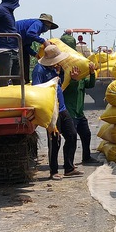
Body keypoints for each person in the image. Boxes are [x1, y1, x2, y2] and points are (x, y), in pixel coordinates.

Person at [32, 45, 83, 180]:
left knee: (72, 135)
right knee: (55, 141)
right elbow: (38, 90)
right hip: (52, 110)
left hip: (63, 109)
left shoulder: (55, 69)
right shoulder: (39, 70)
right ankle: (53, 171)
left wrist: (61, 73)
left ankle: (69, 168)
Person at [63, 63, 101, 165]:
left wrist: (92, 73)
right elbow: (69, 89)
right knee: (71, 138)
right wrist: (74, 79)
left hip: (79, 114)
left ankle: (87, 157)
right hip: (70, 113)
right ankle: (69, 164)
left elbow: (91, 84)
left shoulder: (83, 80)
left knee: (86, 134)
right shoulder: (66, 80)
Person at [16, 13, 58, 84]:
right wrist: (44, 41)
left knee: (25, 59)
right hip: (11, 41)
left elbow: (26, 46)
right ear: (46, 22)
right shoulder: (38, 24)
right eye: (49, 26)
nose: (48, 29)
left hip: (20, 44)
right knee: (16, 64)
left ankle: (25, 81)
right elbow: (30, 33)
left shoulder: (37, 29)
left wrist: (35, 54)